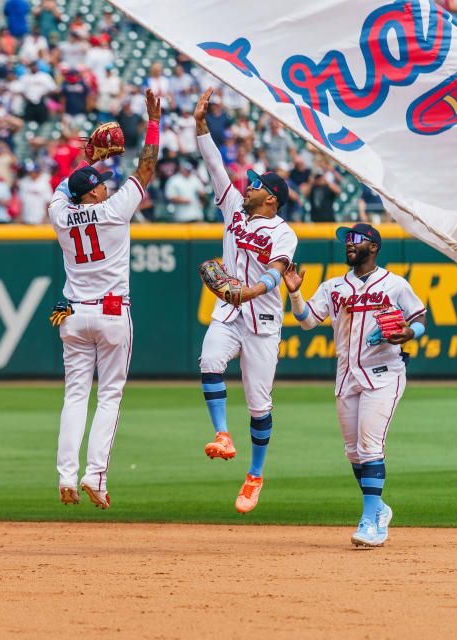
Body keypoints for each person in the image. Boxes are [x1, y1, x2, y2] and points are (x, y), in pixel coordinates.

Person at [50, 89, 160, 509]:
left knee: (75, 396)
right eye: (99, 185)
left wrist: (87, 164)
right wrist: (153, 123)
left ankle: (66, 476)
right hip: (113, 313)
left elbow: (64, 189)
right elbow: (146, 166)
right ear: (93, 193)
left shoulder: (59, 214)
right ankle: (95, 473)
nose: (105, 187)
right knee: (109, 396)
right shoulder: (115, 210)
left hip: (72, 315)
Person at [283, 223, 426, 546]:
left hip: (385, 373)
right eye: (346, 240)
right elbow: (307, 321)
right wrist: (294, 292)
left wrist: (409, 333)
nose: (349, 243)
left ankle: (369, 521)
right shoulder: (334, 286)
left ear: (373, 246)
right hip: (347, 376)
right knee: (354, 453)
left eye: (356, 239)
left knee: (370, 447)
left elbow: (419, 318)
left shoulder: (394, 284)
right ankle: (380, 509)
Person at [193, 87, 299, 513]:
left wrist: (250, 289)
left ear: (270, 198)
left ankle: (255, 475)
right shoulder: (233, 207)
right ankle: (222, 435)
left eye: (256, 184)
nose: (248, 185)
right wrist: (200, 125)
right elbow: (214, 163)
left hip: (264, 322)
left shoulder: (283, 232)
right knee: (209, 361)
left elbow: (275, 273)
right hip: (230, 310)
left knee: (259, 405)